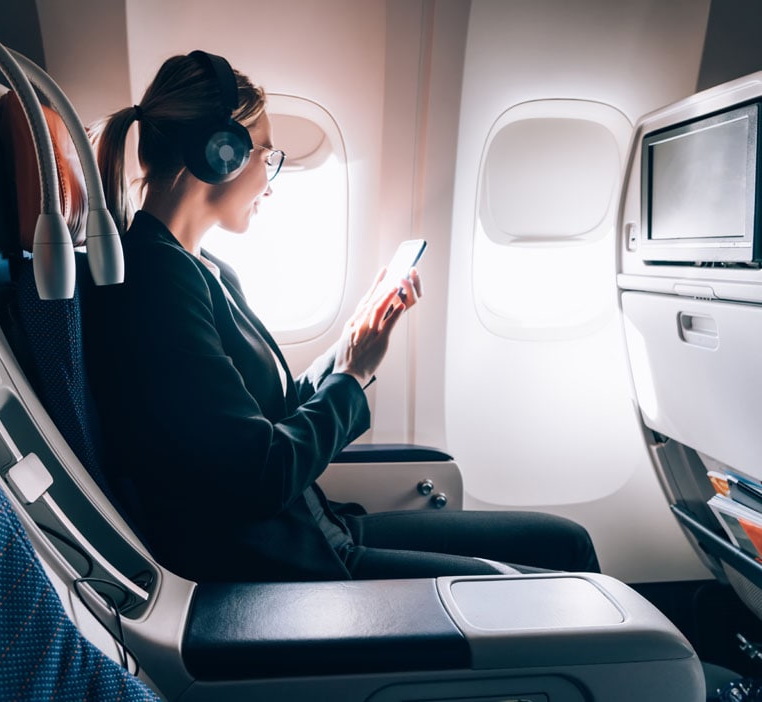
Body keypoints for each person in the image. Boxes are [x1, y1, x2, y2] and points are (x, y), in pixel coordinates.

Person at [86, 50, 600, 583]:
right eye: (268, 154)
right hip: (284, 564)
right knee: (556, 576)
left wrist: (354, 341)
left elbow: (275, 411)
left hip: (317, 531)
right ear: (222, 153)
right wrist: (352, 376)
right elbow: (261, 475)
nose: (271, 177)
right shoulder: (156, 284)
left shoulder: (200, 267)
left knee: (564, 544)